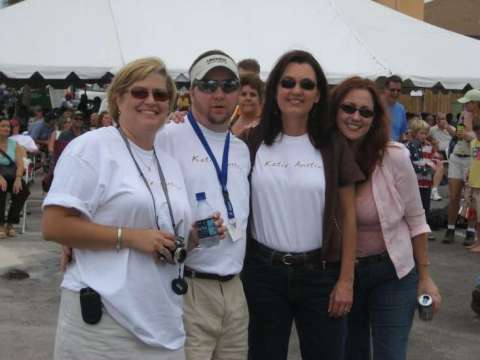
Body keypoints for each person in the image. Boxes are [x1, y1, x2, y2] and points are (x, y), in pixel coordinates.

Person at [42, 57, 217, 359]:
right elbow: (54, 225)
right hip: (104, 323)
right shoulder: (92, 147)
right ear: (118, 98)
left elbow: (165, 237)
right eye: (140, 92)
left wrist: (195, 235)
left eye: (160, 95)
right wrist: (131, 237)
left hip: (163, 321)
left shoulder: (169, 163)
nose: (151, 101)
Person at [241, 50, 363, 360]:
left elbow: (349, 217)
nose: (297, 91)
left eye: (307, 85)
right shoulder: (252, 142)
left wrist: (346, 281)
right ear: (275, 90)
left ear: (319, 95)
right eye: (288, 82)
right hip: (263, 275)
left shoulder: (332, 146)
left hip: (320, 276)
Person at [332, 76, 441, 360]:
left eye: (365, 112)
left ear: (375, 118)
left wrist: (425, 278)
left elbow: (416, 220)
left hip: (393, 273)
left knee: (390, 354)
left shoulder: (394, 157)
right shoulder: (322, 158)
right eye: (348, 108)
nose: (356, 117)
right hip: (341, 275)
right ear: (334, 111)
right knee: (350, 353)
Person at [156, 50, 251, 360]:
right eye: (208, 85)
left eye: (228, 86)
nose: (219, 94)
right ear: (191, 91)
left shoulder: (240, 149)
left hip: (235, 289)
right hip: (189, 286)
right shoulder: (167, 137)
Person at [443, 89, 479, 245]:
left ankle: (470, 232)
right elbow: (460, 135)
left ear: (475, 103)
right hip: (457, 157)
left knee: (471, 198)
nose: (465, 106)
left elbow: (473, 138)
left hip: (472, 159)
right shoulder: (464, 115)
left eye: (467, 103)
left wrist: (467, 132)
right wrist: (447, 126)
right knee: (454, 196)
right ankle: (450, 229)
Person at [406, 119, 437, 241]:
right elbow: (412, 164)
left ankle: (424, 229)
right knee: (415, 207)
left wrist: (431, 166)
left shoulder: (428, 145)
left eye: (425, 133)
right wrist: (426, 168)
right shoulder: (411, 145)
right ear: (414, 133)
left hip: (426, 181)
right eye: (421, 133)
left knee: (425, 206)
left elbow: (433, 159)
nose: (424, 136)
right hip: (416, 182)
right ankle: (415, 229)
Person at [0, 118, 30, 238]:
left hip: (11, 174)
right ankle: (0, 224)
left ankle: (10, 223)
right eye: (3, 126)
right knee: (0, 189)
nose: (6, 128)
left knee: (23, 190)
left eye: (8, 126)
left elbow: (20, 164)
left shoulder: (14, 144)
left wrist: (18, 178)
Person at [429, 112, 455, 200]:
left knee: (451, 172)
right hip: (438, 152)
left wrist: (447, 128)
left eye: (444, 119)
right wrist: (433, 142)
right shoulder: (432, 129)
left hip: (450, 152)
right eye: (440, 119)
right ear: (437, 120)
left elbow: (457, 138)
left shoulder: (452, 128)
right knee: (441, 165)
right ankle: (434, 191)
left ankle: (453, 192)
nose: (442, 121)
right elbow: (428, 138)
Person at [383, 75, 407, 141]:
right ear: (385, 89)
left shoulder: (401, 109)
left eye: (398, 90)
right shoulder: (376, 106)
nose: (395, 93)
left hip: (394, 148)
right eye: (392, 90)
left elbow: (401, 134)